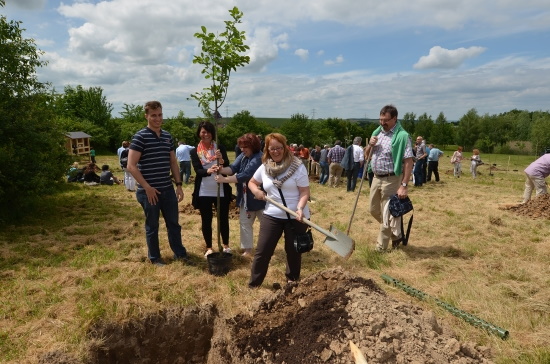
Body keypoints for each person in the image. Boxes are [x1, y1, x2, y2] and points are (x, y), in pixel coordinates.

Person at [127, 100, 192, 266]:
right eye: (154, 115)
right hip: (149, 191)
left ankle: (180, 253)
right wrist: (147, 188)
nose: (157, 118)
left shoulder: (167, 136)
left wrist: (178, 185)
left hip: (167, 189)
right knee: (152, 226)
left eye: (160, 115)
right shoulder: (140, 137)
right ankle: (155, 258)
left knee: (174, 224)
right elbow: (131, 166)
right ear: (146, 116)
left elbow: (172, 162)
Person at [247, 133, 310, 288]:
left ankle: (292, 280)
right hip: (272, 215)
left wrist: (300, 208)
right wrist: (256, 191)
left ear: (285, 147)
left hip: (295, 215)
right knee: (263, 251)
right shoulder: (264, 167)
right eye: (272, 148)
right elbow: (252, 182)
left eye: (279, 148)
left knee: (294, 251)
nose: (276, 151)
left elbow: (304, 192)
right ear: (267, 150)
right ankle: (254, 284)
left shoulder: (297, 166)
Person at [364, 105, 414, 252]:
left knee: (386, 213)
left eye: (385, 120)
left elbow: (408, 161)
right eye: (380, 119)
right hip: (376, 177)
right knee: (373, 210)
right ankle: (395, 234)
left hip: (392, 179)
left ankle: (380, 248)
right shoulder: (377, 133)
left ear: (394, 119)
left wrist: (404, 184)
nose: (382, 123)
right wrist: (369, 145)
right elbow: (367, 156)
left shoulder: (402, 136)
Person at [213, 133, 265, 257]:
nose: (242, 149)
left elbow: (246, 175)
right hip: (245, 197)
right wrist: (221, 170)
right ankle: (247, 249)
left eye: (245, 146)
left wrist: (224, 180)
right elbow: (232, 168)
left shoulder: (259, 158)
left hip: (260, 197)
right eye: (241, 146)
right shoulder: (243, 156)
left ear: (253, 146)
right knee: (244, 224)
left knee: (266, 225)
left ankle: (266, 248)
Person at [190, 120, 232, 257]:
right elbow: (198, 171)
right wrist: (208, 171)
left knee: (223, 218)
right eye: (203, 132)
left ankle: (225, 245)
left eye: (208, 132)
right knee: (206, 220)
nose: (206, 134)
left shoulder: (219, 147)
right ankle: (209, 247)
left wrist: (220, 162)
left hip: (220, 188)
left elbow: (227, 167)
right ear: (199, 133)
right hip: (204, 190)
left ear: (212, 133)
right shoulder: (194, 151)